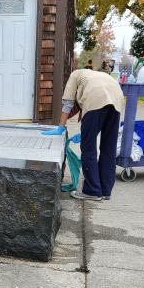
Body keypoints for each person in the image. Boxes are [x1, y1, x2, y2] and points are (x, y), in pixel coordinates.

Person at [42, 69, 123, 201]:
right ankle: (105, 190)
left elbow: (68, 103)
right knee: (109, 148)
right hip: (116, 99)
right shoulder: (96, 75)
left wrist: (60, 127)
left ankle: (92, 190)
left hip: (95, 98)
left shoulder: (74, 75)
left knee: (88, 147)